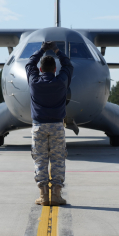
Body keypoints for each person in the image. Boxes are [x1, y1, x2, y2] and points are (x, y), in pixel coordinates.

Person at [25, 41, 74, 206]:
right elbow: (68, 65)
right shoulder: (61, 82)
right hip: (57, 126)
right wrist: (56, 50)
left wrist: (41, 50)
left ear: (40, 69)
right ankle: (56, 195)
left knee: (40, 160)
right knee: (58, 159)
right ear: (55, 69)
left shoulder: (34, 82)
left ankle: (44, 195)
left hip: (38, 126)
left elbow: (29, 63)